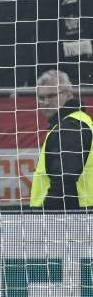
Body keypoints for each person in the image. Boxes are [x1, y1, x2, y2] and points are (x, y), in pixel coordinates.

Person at [31, 69, 93, 211]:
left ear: (68, 95)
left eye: (51, 96)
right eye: (41, 98)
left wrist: (47, 217)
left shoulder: (71, 126)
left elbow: (64, 181)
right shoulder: (70, 123)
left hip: (69, 218)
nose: (45, 103)